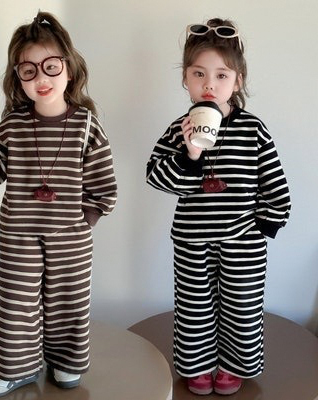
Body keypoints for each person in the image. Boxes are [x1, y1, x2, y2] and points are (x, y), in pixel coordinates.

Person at [0, 11, 117, 398]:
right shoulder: (13, 124)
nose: (41, 78)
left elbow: (103, 181)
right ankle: (16, 368)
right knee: (15, 304)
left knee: (69, 299)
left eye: (50, 66)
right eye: (29, 70)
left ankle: (66, 361)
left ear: (69, 69)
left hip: (71, 236)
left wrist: (86, 219)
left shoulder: (86, 124)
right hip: (18, 233)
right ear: (18, 78)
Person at [146, 18, 290, 396]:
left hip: (243, 241)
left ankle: (233, 366)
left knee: (242, 306)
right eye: (199, 74)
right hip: (191, 241)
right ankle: (197, 366)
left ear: (238, 81)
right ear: (185, 78)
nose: (209, 84)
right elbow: (157, 177)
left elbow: (275, 185)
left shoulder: (253, 130)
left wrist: (265, 227)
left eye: (221, 75)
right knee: (194, 308)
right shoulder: (178, 129)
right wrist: (190, 155)